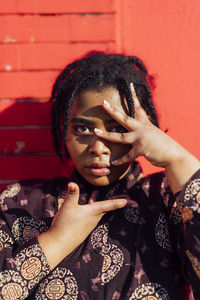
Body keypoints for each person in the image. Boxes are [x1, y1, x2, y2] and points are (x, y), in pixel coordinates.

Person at [0, 52, 200, 300]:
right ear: (64, 130)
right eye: (82, 129)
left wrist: (178, 159)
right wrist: (56, 241)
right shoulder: (20, 203)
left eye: (118, 129)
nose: (98, 147)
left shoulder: (167, 198)